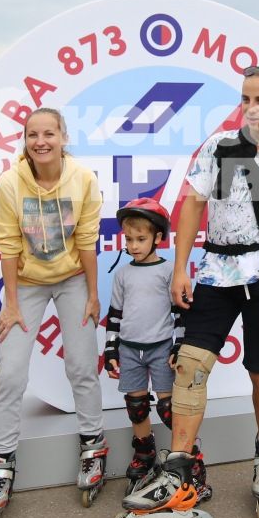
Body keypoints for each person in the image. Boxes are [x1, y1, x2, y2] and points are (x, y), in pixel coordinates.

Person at [122, 65, 259, 518]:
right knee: (190, 365)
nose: (252, 108)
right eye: (246, 99)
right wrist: (179, 268)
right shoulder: (221, 147)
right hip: (215, 271)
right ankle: (178, 469)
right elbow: (191, 204)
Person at [0, 106, 106, 518]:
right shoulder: (9, 183)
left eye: (49, 133)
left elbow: (87, 240)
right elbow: (8, 245)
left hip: (72, 278)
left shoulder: (83, 179)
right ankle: (1, 463)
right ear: (25, 140)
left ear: (63, 136)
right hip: (29, 282)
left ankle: (93, 444)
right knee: (11, 371)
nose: (41, 141)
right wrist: (12, 304)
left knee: (81, 365)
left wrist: (92, 295)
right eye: (33, 134)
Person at [102, 196, 190, 494]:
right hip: (129, 349)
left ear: (158, 238)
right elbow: (114, 317)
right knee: (137, 407)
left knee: (167, 408)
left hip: (161, 349)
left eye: (141, 238)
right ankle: (145, 454)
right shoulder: (123, 274)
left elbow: (179, 314)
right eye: (129, 239)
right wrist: (111, 350)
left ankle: (187, 457)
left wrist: (179, 346)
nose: (134, 245)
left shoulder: (168, 271)